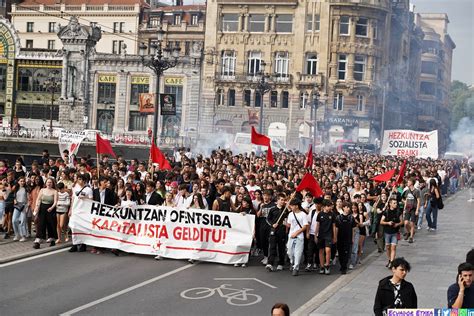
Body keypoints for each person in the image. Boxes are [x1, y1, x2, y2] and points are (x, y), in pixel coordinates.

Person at [265, 193, 288, 272]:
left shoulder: (286, 210)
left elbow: (288, 220)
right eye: (281, 200)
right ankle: (270, 263)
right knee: (272, 247)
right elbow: (267, 219)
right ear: (277, 200)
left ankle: (281, 263)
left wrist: (286, 224)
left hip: (282, 231)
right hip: (273, 231)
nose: (283, 201)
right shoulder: (272, 209)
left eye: (284, 200)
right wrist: (272, 224)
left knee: (281, 248)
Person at [33, 178, 58, 248]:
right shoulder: (42, 190)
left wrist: (52, 207)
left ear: (52, 183)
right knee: (41, 224)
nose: (49, 184)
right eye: (48, 182)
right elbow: (38, 199)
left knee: (51, 224)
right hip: (42, 208)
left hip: (50, 209)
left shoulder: (55, 191)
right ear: (45, 183)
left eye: (50, 182)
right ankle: (38, 239)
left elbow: (55, 201)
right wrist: (36, 207)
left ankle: (52, 238)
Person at [286, 199, 308, 276]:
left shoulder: (303, 214)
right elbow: (288, 224)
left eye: (292, 205)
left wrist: (297, 232)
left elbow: (305, 226)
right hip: (291, 236)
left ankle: (296, 268)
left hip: (299, 236)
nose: (291, 207)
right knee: (290, 252)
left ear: (296, 206)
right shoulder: (290, 214)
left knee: (298, 253)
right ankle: (292, 261)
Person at [335, 201, 357, 274]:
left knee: (346, 253)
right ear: (343, 208)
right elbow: (336, 228)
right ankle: (342, 265)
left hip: (348, 238)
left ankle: (344, 267)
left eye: (349, 207)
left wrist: (353, 238)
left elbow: (354, 229)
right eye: (346, 207)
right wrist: (335, 237)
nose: (348, 209)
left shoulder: (351, 218)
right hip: (340, 238)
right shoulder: (338, 217)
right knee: (340, 253)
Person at [380, 198, 403, 268]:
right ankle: (390, 260)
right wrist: (388, 223)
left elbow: (402, 221)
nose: (396, 204)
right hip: (387, 232)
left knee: (393, 248)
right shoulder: (386, 212)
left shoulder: (398, 212)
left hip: (395, 232)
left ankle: (392, 263)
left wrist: (397, 224)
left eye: (396, 203)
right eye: (394, 203)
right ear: (390, 204)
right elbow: (381, 222)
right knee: (388, 247)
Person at [315, 199, 336, 275]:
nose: (330, 207)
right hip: (321, 235)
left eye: (330, 206)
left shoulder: (332, 214)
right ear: (324, 206)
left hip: (329, 235)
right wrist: (315, 235)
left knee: (328, 250)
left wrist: (335, 236)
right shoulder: (320, 214)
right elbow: (317, 225)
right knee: (321, 251)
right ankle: (321, 266)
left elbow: (334, 226)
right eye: (328, 206)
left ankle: (327, 265)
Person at [401, 178, 420, 243]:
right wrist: (404, 208)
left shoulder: (416, 191)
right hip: (408, 208)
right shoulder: (407, 191)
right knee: (406, 223)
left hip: (413, 208)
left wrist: (417, 210)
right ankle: (409, 232)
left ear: (412, 183)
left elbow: (418, 201)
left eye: (408, 182)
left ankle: (411, 237)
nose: (407, 183)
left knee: (412, 223)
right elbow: (406, 200)